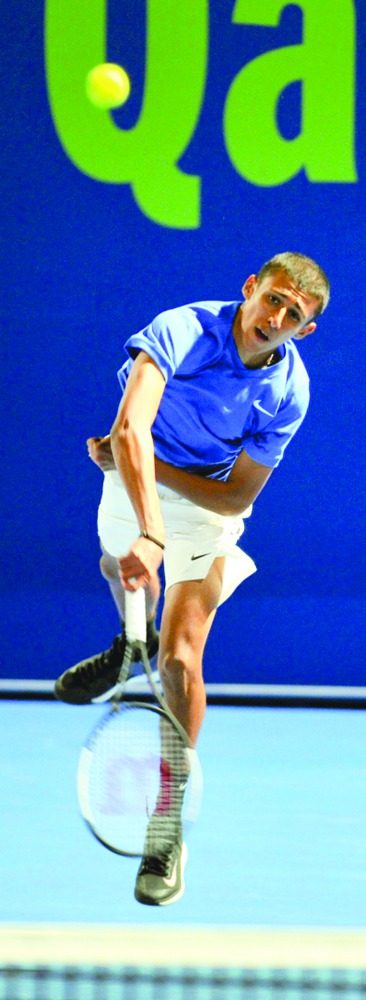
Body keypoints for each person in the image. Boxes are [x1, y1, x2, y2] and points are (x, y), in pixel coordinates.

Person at [55, 251, 330, 906]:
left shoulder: (289, 391)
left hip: (201, 504)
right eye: (274, 299)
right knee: (118, 566)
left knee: (182, 658)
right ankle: (129, 642)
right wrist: (144, 518)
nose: (278, 316)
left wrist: (153, 501)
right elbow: (130, 428)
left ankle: (167, 819)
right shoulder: (183, 327)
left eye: (296, 314)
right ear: (251, 289)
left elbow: (236, 498)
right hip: (133, 474)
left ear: (306, 329)